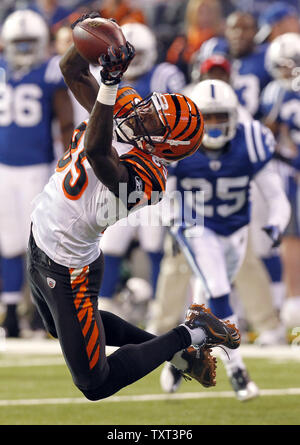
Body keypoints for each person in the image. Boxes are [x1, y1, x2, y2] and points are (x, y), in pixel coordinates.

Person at [27, 13, 241, 401]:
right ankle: (181, 353)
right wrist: (106, 45)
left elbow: (96, 152)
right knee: (65, 328)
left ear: (165, 148)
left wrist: (108, 85)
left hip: (69, 265)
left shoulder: (149, 179)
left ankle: (193, 333)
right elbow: (71, 68)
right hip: (41, 235)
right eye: (155, 107)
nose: (145, 114)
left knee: (94, 383)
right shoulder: (125, 106)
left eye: (157, 122)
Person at [160, 79, 291, 401]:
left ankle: (181, 355)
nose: (216, 125)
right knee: (218, 289)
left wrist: (276, 224)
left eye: (222, 117)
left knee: (206, 296)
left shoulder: (252, 142)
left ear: (235, 117)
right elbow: (163, 193)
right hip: (195, 223)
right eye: (209, 117)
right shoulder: (178, 145)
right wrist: (172, 220)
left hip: (235, 229)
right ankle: (237, 370)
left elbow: (276, 197)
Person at [98, 21, 186, 317]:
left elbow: (179, 122)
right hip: (121, 169)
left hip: (155, 172)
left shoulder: (165, 76)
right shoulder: (110, 79)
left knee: (154, 240)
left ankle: (159, 307)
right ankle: (105, 301)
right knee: (112, 240)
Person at [0, 9, 74, 337]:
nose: (26, 49)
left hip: (38, 166)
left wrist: (67, 160)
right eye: (20, 43)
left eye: (31, 42)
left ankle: (41, 313)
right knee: (8, 243)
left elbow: (66, 122)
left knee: (38, 243)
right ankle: (12, 311)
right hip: (4, 166)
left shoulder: (49, 72)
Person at [260, 32, 300, 330]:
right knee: (289, 236)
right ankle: (292, 301)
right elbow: (270, 133)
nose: (289, 71)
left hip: (291, 168)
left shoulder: (278, 91)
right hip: (288, 171)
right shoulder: (275, 92)